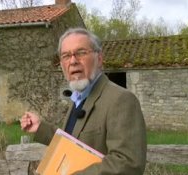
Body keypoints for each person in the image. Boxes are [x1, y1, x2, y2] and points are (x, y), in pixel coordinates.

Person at [20, 28, 147, 175]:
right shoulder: (79, 98)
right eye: (66, 55)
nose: (73, 61)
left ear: (99, 59)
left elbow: (128, 163)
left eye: (81, 53)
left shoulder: (121, 100)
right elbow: (76, 143)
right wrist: (40, 127)